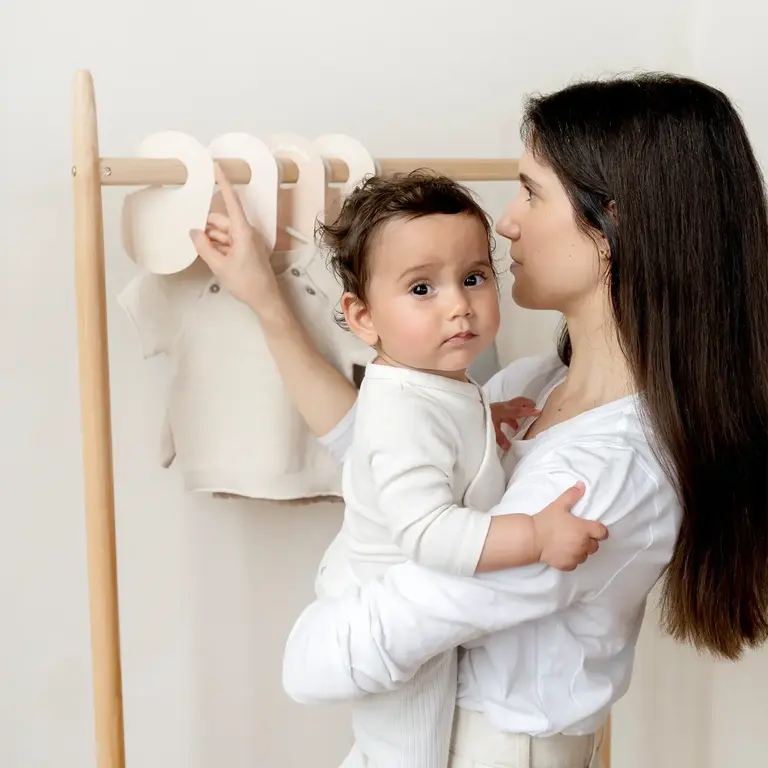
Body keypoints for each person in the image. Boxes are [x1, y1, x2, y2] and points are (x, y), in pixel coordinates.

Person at [191, 72, 768, 768]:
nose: (506, 222)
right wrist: (265, 299)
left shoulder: (606, 476)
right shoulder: (531, 390)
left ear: (615, 224)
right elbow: (375, 448)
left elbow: (342, 654)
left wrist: (306, 641)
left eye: (530, 191)